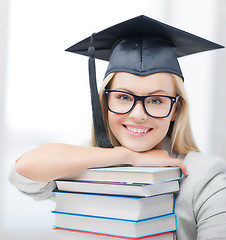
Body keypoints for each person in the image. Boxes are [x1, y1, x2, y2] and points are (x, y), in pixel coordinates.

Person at [9, 15, 226, 239]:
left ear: (176, 110)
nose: (138, 114)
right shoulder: (86, 161)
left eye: (156, 100)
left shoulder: (205, 177)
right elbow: (23, 171)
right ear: (106, 103)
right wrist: (129, 156)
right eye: (123, 97)